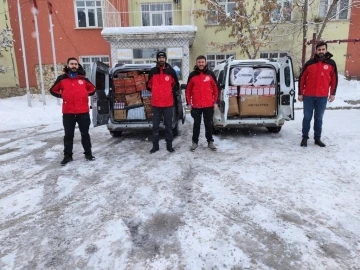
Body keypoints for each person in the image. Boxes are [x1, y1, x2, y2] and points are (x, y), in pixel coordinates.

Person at [50, 57, 96, 165]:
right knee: (68, 135)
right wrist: (63, 95)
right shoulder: (61, 79)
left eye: (75, 64)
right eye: (72, 64)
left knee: (85, 134)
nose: (74, 66)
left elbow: (93, 89)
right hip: (68, 112)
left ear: (78, 65)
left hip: (83, 112)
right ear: (68, 65)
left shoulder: (84, 79)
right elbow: (53, 90)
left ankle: (88, 154)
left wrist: (85, 93)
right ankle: (68, 156)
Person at [298, 41, 338, 147]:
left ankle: (317, 138)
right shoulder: (309, 63)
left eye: (323, 49)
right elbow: (302, 79)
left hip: (322, 96)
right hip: (308, 96)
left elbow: (334, 80)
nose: (321, 51)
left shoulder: (331, 64)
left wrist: (332, 93)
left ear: (326, 50)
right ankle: (305, 137)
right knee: (307, 117)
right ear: (316, 50)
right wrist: (300, 93)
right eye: (319, 49)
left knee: (319, 118)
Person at [147, 51, 179, 154]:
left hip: (168, 104)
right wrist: (157, 92)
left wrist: (168, 92)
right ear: (157, 59)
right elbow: (148, 85)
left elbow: (176, 85)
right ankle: (155, 146)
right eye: (159, 57)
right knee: (155, 126)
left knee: (169, 126)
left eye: (163, 57)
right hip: (156, 104)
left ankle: (169, 145)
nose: (161, 59)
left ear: (165, 59)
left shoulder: (171, 71)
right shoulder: (152, 71)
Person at [186, 55, 219, 151]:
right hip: (196, 105)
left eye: (202, 62)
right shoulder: (192, 75)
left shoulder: (211, 74)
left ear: (205, 63)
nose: (201, 64)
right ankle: (195, 142)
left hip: (208, 105)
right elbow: (188, 90)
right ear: (196, 63)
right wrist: (189, 103)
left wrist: (215, 102)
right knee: (196, 124)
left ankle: (210, 141)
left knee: (208, 124)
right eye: (199, 62)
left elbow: (216, 90)